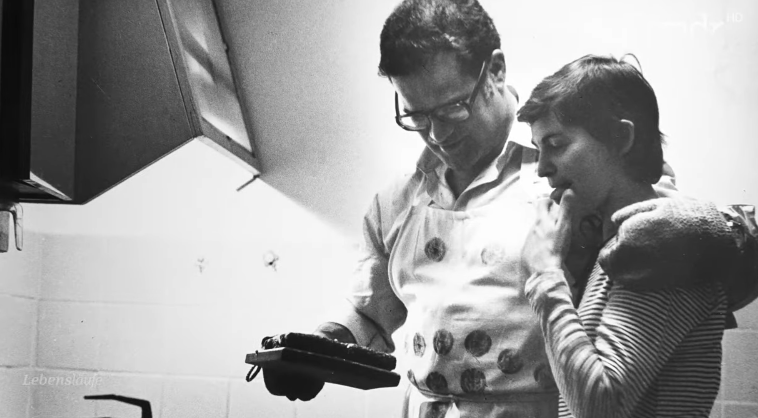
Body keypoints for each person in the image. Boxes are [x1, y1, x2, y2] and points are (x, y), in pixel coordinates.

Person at [261, 1, 758, 416]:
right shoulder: (398, 200)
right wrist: (316, 348)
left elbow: (675, 236)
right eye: (416, 116)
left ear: (495, 69)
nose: (437, 134)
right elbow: (370, 313)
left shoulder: (574, 165)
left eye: (452, 107)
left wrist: (729, 229)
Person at [518, 54, 754, 418]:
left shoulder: (665, 245)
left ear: (621, 138)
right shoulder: (626, 246)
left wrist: (545, 275)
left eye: (557, 144)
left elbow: (600, 408)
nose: (542, 168)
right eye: (539, 149)